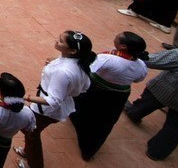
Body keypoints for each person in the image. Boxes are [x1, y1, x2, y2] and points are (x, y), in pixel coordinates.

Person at [15, 31, 96, 168]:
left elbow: (53, 101)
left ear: (72, 51)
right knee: (30, 130)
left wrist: (26, 97)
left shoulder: (63, 71)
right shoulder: (78, 64)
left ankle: (34, 163)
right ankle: (28, 151)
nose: (57, 41)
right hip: (55, 104)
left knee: (31, 132)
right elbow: (84, 87)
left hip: (46, 110)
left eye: (61, 41)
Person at [69, 32, 148, 161]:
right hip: (119, 95)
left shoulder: (108, 58)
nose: (115, 37)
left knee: (84, 109)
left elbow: (89, 69)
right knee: (105, 121)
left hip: (96, 90)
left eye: (118, 37)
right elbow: (138, 80)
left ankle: (79, 125)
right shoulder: (141, 66)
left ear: (123, 46)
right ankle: (89, 150)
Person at [124, 47, 178, 160]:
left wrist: (135, 54)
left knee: (146, 103)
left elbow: (154, 60)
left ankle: (134, 113)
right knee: (174, 127)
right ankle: (157, 152)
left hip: (166, 89)